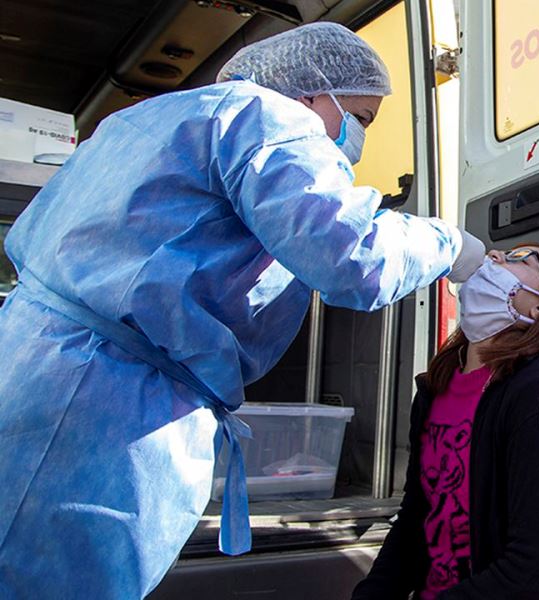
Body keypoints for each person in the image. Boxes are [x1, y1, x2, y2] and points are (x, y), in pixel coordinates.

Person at [0, 22, 485, 599]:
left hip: (35, 368)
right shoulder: (270, 118)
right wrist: (449, 244)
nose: (355, 140)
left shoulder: (143, 123)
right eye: (360, 118)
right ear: (312, 90)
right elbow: (348, 254)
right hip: (105, 404)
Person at [352, 245, 539, 600]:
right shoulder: (435, 387)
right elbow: (415, 520)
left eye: (522, 259)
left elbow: (535, 569)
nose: (496, 255)